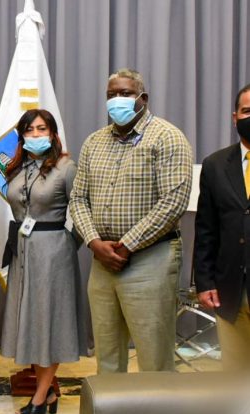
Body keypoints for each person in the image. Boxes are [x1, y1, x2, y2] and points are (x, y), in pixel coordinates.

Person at [70, 68, 193, 373]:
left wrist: (126, 246)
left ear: (143, 98)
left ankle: (156, 403)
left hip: (151, 260)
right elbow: (78, 199)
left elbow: (173, 203)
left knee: (154, 361)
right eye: (111, 94)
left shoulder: (168, 137)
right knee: (107, 358)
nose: (117, 100)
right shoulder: (94, 142)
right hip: (102, 261)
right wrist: (93, 242)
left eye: (125, 93)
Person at [0, 109, 85, 414]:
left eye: (41, 129)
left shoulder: (66, 167)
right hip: (22, 251)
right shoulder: (16, 168)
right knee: (33, 324)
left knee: (51, 323)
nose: (35, 134)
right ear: (22, 136)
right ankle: (47, 391)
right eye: (29, 130)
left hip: (53, 256)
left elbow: (83, 210)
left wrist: (67, 244)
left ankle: (39, 398)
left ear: (52, 133)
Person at [194, 84, 250, 370]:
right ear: (234, 117)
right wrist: (204, 282)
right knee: (236, 376)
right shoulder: (215, 165)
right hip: (231, 291)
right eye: (247, 111)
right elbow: (206, 229)